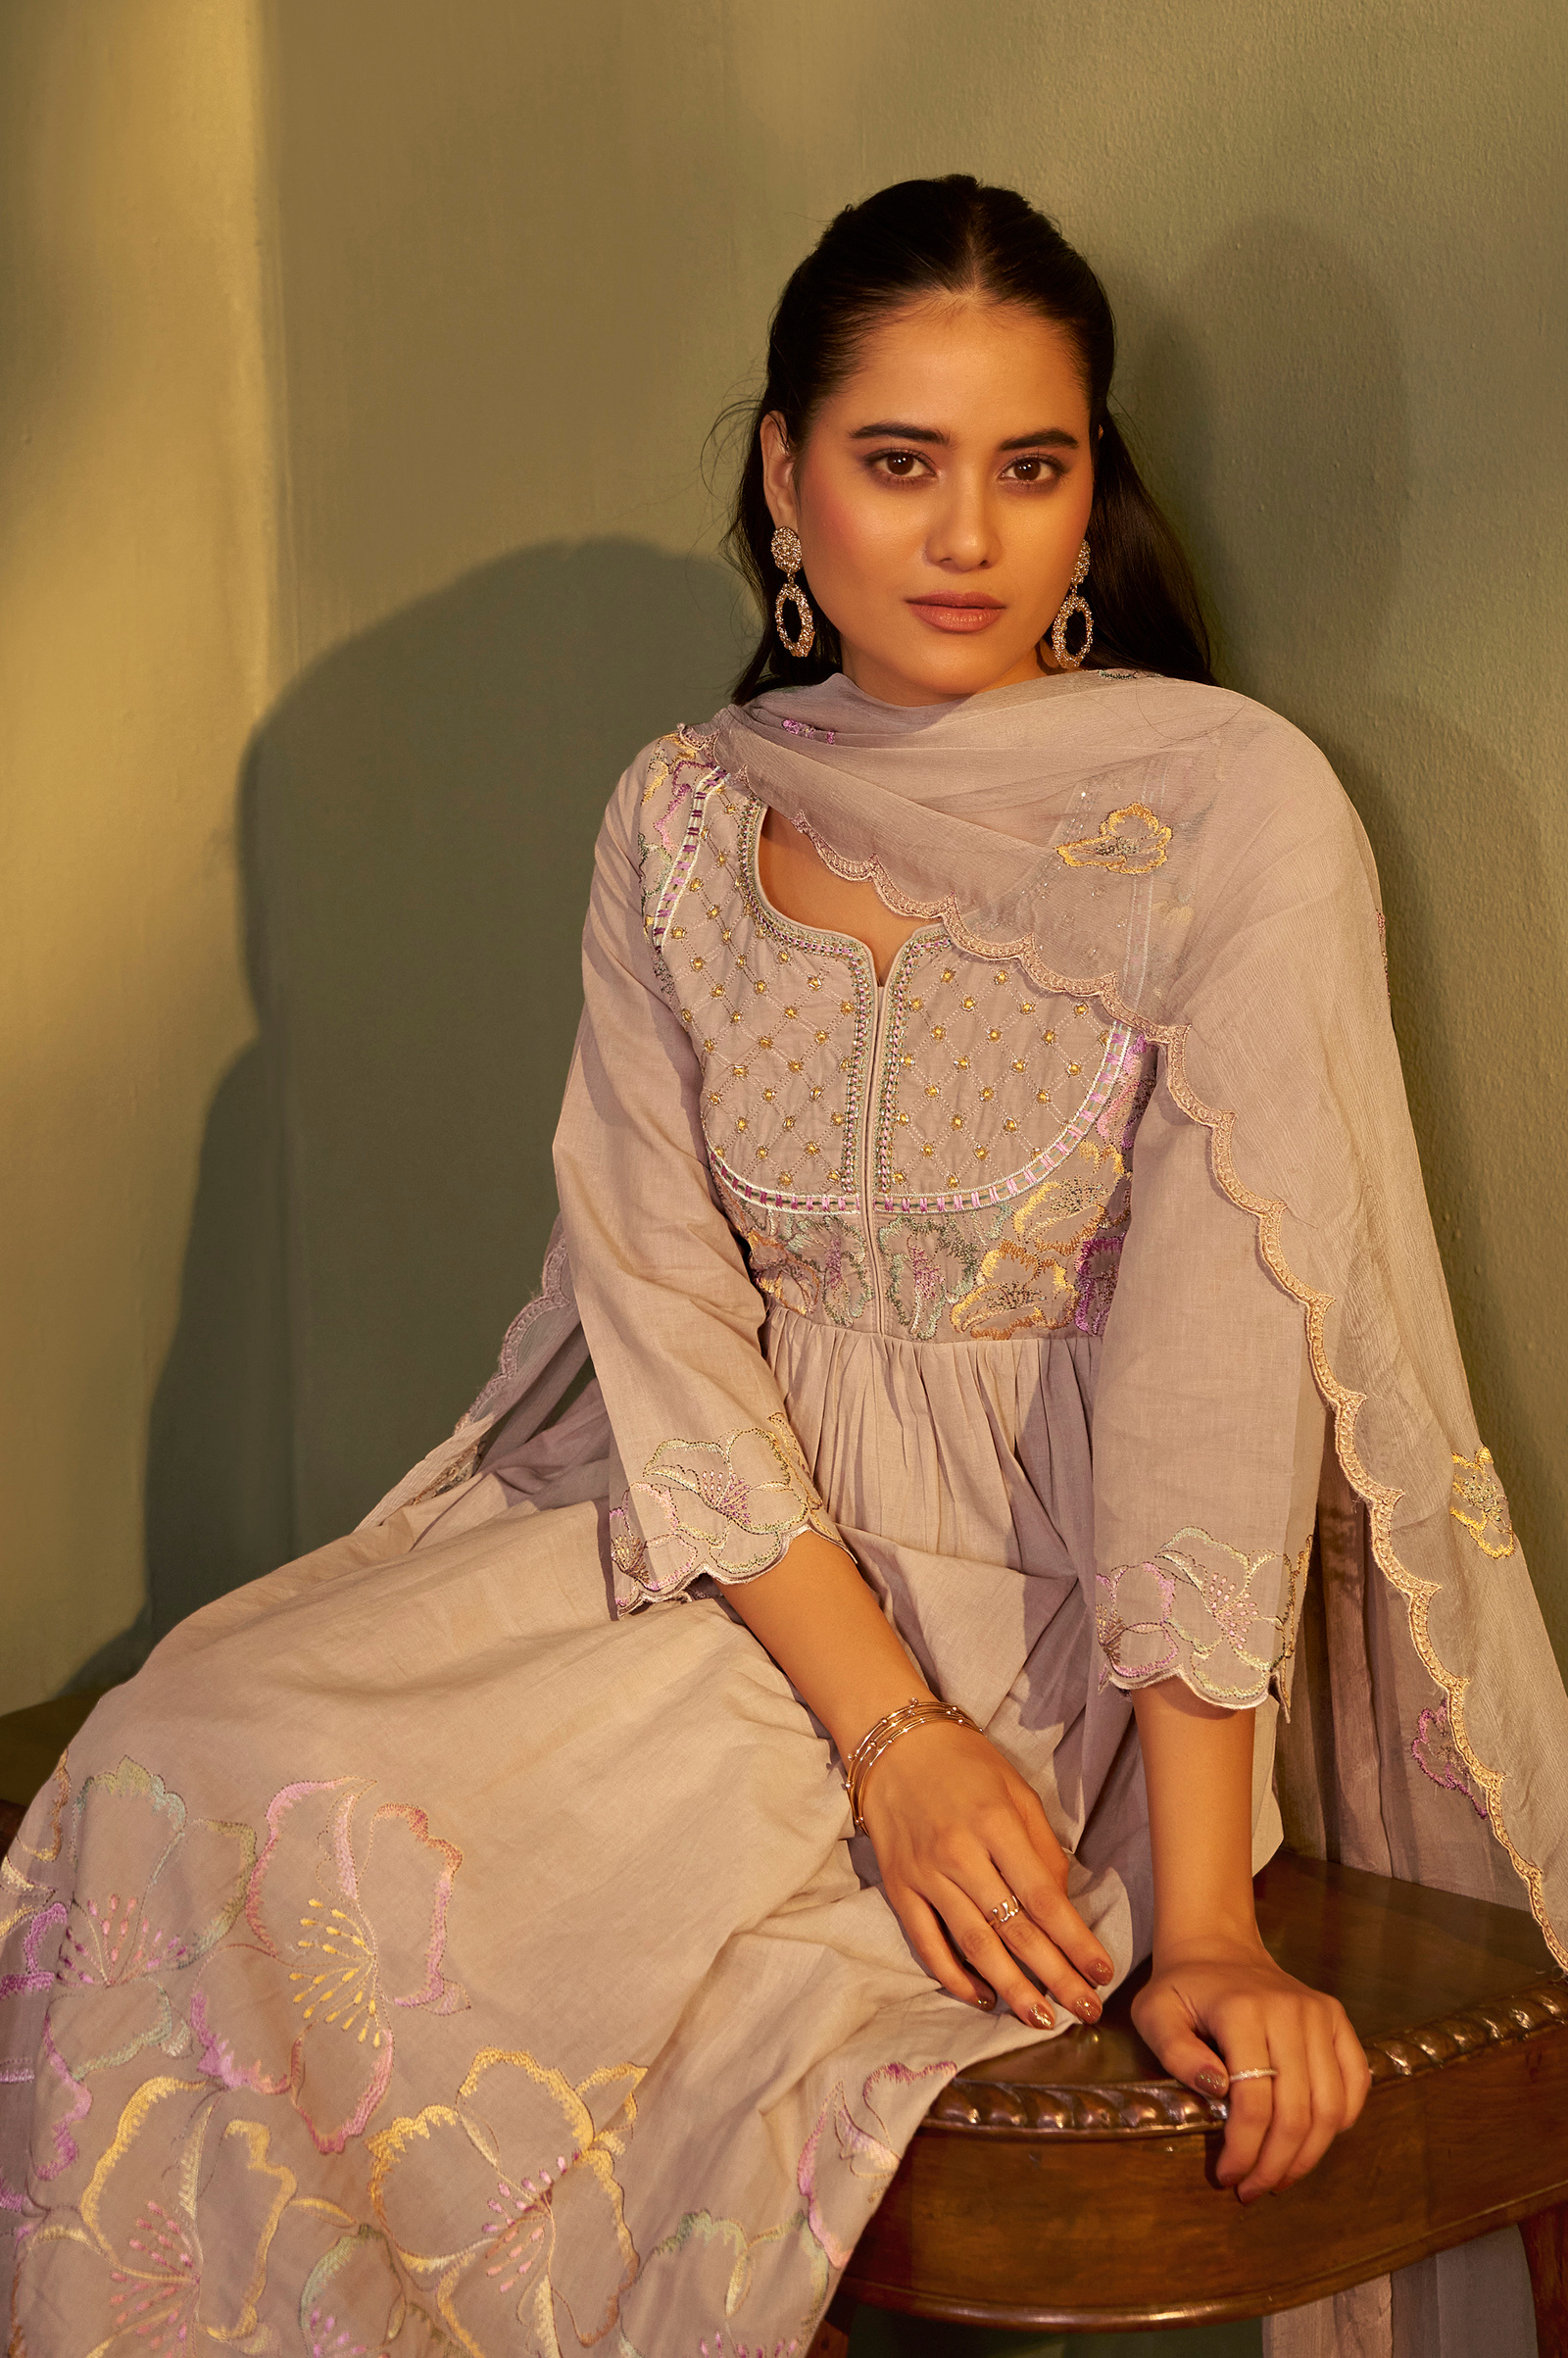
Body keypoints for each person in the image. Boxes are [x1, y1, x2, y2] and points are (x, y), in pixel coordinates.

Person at [2, 175, 1562, 2358]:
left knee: (486, 1911)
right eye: (897, 462)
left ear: (1090, 487)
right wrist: (884, 1735)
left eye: (1031, 467)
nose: (967, 535)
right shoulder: (686, 816)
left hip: (1053, 1629)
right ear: (783, 472)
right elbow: (657, 1302)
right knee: (186, 1751)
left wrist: (1204, 1918)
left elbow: (1224, 1381)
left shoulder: (1229, 812)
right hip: (729, 1557)